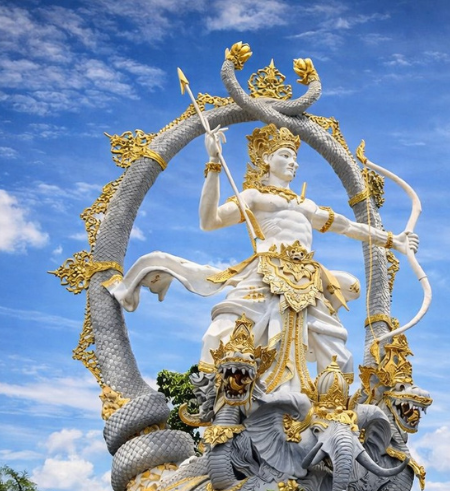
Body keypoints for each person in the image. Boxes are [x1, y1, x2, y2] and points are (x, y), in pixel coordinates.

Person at [109, 123, 418, 395]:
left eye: (295, 157)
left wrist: (393, 240)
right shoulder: (254, 196)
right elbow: (209, 220)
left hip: (306, 281)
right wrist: (214, 162)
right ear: (266, 159)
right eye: (285, 155)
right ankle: (217, 399)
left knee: (338, 352)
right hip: (265, 273)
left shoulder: (307, 205)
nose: (293, 162)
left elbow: (347, 226)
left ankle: (328, 408)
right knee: (220, 334)